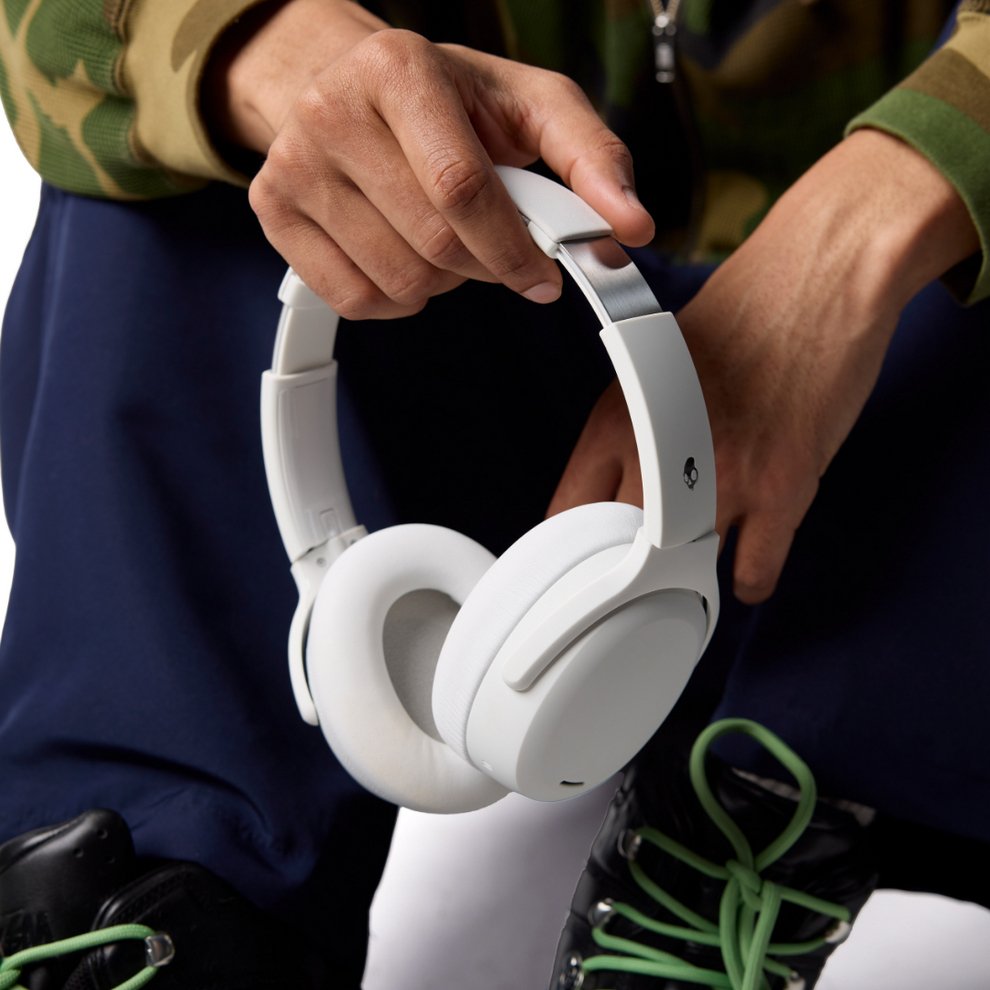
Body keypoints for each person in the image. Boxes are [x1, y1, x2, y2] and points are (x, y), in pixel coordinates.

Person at [0, 1, 987, 988]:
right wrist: (264, 49)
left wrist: (869, 225)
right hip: (504, 379)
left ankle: (756, 828)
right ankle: (154, 904)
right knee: (207, 167)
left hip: (921, 439)